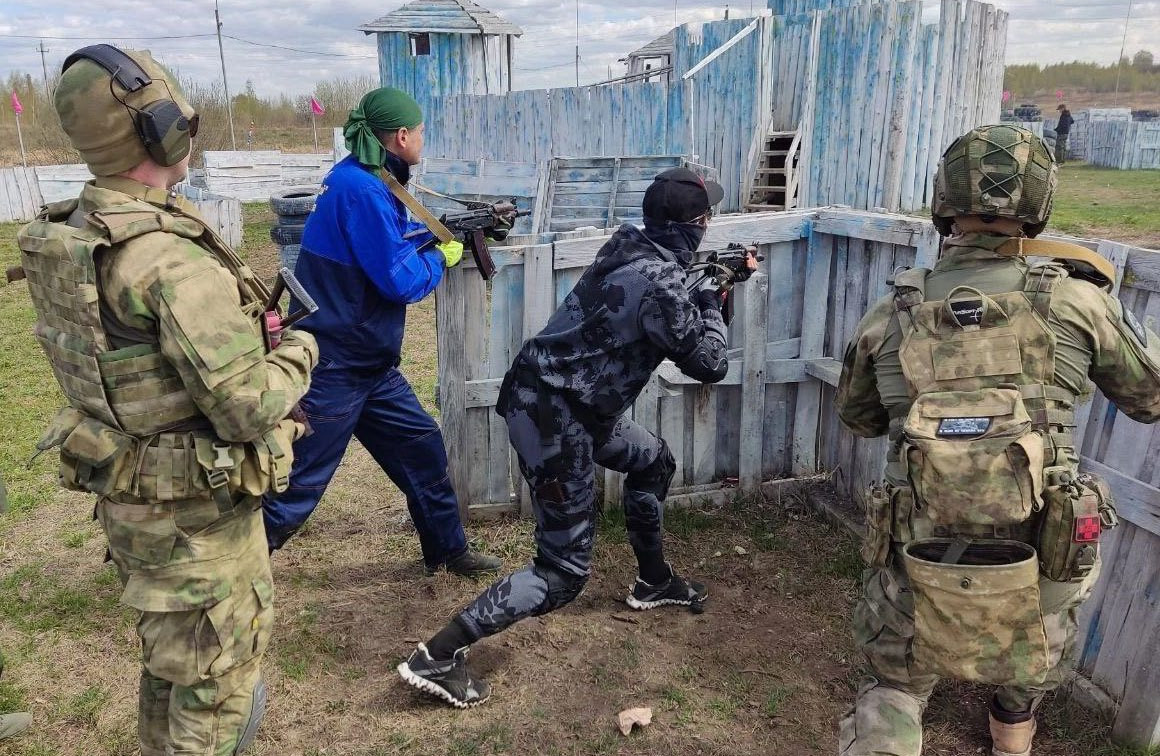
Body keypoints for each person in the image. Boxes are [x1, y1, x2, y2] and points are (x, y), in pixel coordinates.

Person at [16, 45, 318, 755]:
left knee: (172, 661)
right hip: (197, 517)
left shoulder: (74, 231)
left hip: (135, 498)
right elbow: (245, 406)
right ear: (159, 132)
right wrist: (301, 352)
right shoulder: (166, 258)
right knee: (215, 681)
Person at [834, 124, 1160, 756]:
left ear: (944, 202)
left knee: (894, 686)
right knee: (1027, 659)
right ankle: (1012, 731)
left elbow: (860, 420)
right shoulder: (1076, 303)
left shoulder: (890, 315)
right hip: (1041, 542)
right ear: (1037, 205)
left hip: (918, 542)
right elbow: (1149, 400)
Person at [398, 167, 734, 708]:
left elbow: (661, 287)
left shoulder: (629, 246)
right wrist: (716, 299)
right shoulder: (663, 282)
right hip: (555, 423)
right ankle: (438, 655)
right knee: (562, 571)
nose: (708, 224)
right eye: (703, 219)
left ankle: (653, 582)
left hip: (574, 406)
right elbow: (710, 361)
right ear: (688, 227)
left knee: (653, 463)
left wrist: (706, 278)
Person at [261, 87, 501, 577]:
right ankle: (223, 574)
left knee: (423, 450)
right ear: (401, 135)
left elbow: (380, 246)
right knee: (298, 483)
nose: (423, 141)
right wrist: (440, 256)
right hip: (335, 365)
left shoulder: (359, 176)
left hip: (370, 364)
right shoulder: (363, 189)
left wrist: (437, 230)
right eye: (421, 133)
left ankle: (449, 552)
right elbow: (400, 281)